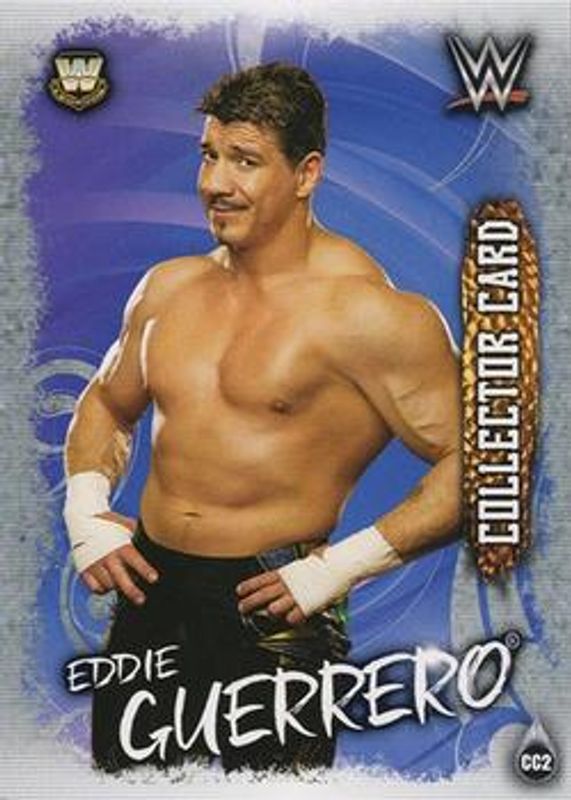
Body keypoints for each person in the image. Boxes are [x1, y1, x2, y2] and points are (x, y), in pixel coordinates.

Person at [63, 62, 461, 773]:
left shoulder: (367, 313)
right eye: (209, 155)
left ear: (306, 174)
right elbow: (107, 402)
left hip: (276, 604)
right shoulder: (169, 287)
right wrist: (86, 511)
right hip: (152, 589)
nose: (215, 183)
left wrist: (342, 567)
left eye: (245, 161)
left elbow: (490, 464)